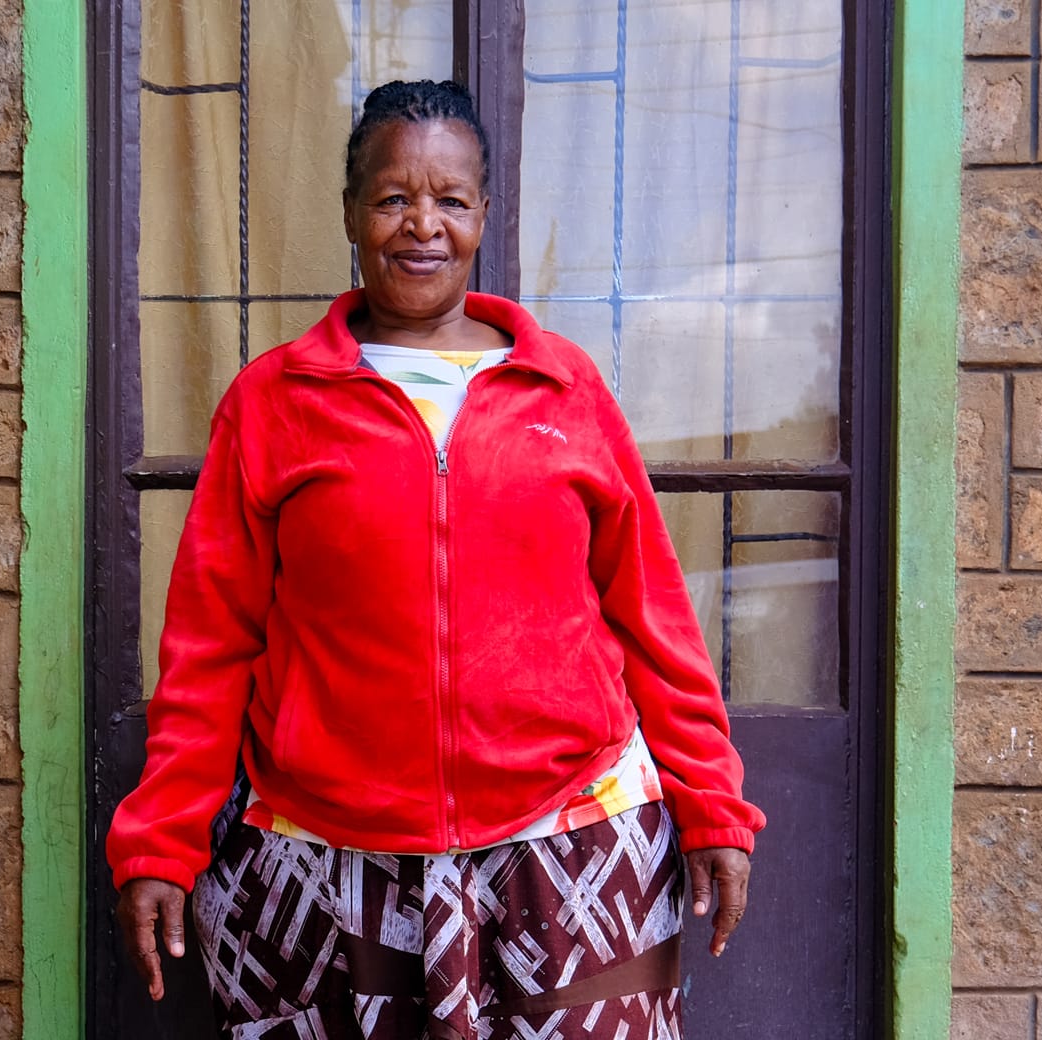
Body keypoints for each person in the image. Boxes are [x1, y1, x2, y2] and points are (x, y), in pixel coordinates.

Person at [108, 79, 765, 1039]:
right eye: (392, 198)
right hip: (329, 863)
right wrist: (161, 841)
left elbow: (652, 616)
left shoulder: (565, 390)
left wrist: (712, 804)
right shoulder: (274, 403)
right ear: (350, 212)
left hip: (571, 843)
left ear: (484, 216)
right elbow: (211, 645)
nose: (423, 225)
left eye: (451, 200)